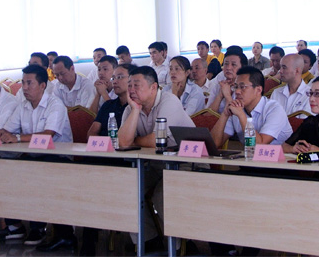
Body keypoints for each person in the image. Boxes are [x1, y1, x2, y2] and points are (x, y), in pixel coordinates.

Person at [0, 64, 76, 251]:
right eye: (23, 82)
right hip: (34, 156)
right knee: (6, 169)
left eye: (29, 83)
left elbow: (48, 135)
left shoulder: (55, 105)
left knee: (40, 173)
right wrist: (7, 136)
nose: (24, 87)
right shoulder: (23, 105)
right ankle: (15, 225)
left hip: (59, 158)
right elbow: (7, 131)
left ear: (42, 85)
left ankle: (56, 233)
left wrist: (17, 138)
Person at [117, 66, 195, 252]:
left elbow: (156, 141)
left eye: (137, 85)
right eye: (129, 85)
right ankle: (149, 241)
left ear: (154, 87)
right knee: (128, 190)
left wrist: (135, 140)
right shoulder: (131, 107)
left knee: (162, 196)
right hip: (155, 165)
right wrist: (135, 110)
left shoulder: (169, 101)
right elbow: (122, 143)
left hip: (187, 163)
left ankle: (179, 246)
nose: (131, 90)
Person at [211, 66, 292, 148]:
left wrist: (241, 115)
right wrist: (225, 114)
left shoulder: (274, 109)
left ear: (258, 90)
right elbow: (214, 144)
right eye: (235, 87)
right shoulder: (236, 108)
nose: (237, 91)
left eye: (242, 87)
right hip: (250, 155)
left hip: (282, 155)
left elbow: (259, 145)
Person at [88, 63, 134, 137]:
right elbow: (91, 134)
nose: (114, 82)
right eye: (113, 78)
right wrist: (107, 143)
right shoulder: (107, 105)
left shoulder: (136, 107)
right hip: (104, 143)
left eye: (119, 77)